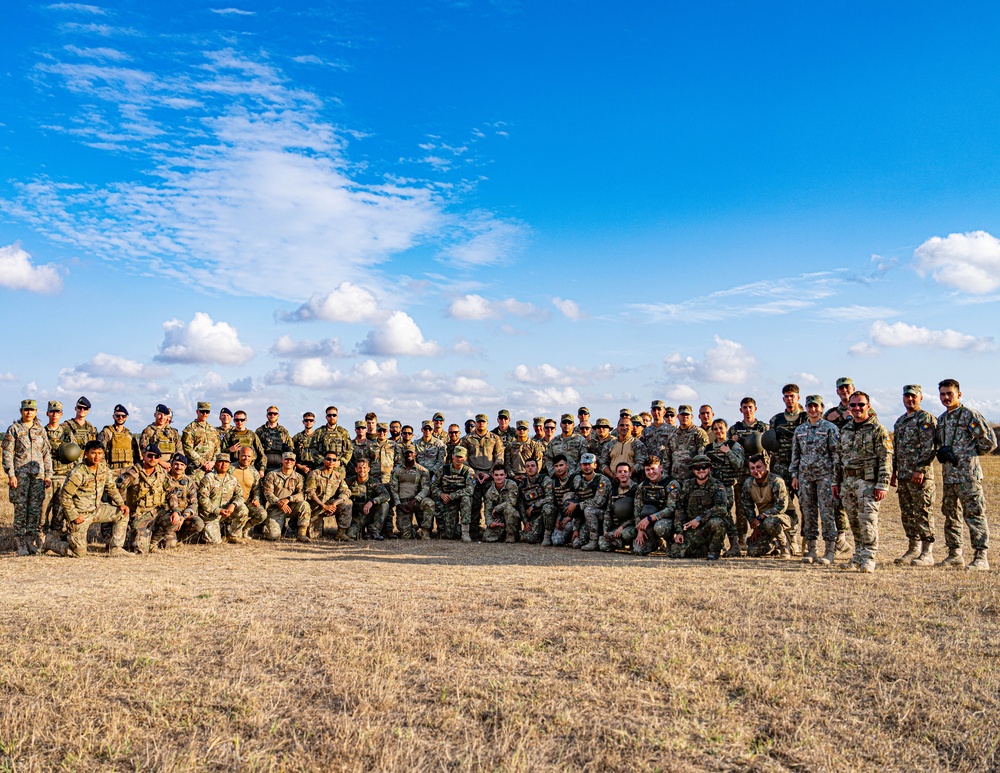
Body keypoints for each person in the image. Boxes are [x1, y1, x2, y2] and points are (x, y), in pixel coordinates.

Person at [935, 378, 997, 570]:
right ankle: (954, 554)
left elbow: (989, 442)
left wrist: (967, 453)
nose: (946, 397)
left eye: (949, 394)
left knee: (975, 514)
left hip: (968, 476)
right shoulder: (942, 419)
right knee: (951, 515)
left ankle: (981, 556)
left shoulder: (969, 415)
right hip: (949, 476)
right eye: (943, 394)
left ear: (959, 395)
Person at [832, 391, 893, 573]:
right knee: (854, 522)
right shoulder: (846, 429)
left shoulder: (877, 430)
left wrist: (882, 484)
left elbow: (886, 458)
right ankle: (858, 556)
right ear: (848, 407)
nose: (856, 408)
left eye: (860, 405)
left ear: (868, 406)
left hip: (868, 482)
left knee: (868, 522)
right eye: (853, 405)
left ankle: (869, 558)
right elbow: (839, 457)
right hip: (848, 482)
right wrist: (836, 482)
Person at [891, 385, 938, 567]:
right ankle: (913, 548)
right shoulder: (900, 421)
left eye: (913, 397)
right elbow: (897, 450)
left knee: (923, 512)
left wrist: (921, 469)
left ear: (921, 398)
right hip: (903, 475)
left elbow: (929, 447)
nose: (910, 400)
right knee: (908, 514)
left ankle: (927, 552)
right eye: (907, 396)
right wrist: (894, 472)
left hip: (921, 476)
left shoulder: (925, 419)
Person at [789, 395, 839, 564]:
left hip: (825, 476)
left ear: (821, 408)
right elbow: (795, 455)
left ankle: (830, 551)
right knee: (808, 513)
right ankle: (811, 550)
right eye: (809, 406)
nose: (812, 409)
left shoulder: (830, 428)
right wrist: (794, 475)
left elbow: (836, 454)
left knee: (827, 513)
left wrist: (835, 478)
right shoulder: (800, 430)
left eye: (815, 406)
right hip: (805, 477)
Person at [59, 440, 131, 558]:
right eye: (93, 453)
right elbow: (64, 496)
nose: (97, 457)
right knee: (79, 553)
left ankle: (115, 548)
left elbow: (111, 488)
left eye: (100, 453)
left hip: (96, 510)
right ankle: (50, 542)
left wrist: (121, 504)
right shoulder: (78, 472)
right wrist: (74, 516)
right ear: (86, 453)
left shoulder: (103, 469)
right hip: (80, 514)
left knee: (123, 513)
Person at [650, 455, 728, 560]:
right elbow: (680, 509)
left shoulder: (717, 486)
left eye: (704, 467)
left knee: (717, 522)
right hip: (693, 530)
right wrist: (679, 532)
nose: (701, 470)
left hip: (709, 527)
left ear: (709, 468)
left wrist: (699, 519)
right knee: (675, 552)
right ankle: (702, 550)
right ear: (693, 469)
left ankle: (714, 551)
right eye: (697, 468)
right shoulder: (688, 485)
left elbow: (721, 508)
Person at [2, 399, 54, 555]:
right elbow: (7, 454)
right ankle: (20, 543)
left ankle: (30, 541)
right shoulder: (14, 429)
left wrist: (48, 475)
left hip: (37, 477)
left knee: (34, 510)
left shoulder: (40, 431)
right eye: (26, 410)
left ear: (36, 412)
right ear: (21, 411)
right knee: (20, 509)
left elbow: (46, 454)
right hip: (20, 477)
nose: (29, 412)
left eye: (32, 410)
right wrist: (11, 474)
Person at [822, 377, 864, 556]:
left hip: (859, 465)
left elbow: (868, 426)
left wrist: (847, 417)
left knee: (859, 506)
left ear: (853, 388)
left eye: (847, 387)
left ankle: (862, 545)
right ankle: (841, 539)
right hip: (838, 465)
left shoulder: (862, 407)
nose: (844, 390)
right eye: (841, 388)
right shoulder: (830, 413)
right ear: (837, 391)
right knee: (837, 503)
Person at [116, 442, 180, 554]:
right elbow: (116, 489)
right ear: (144, 456)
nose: (153, 459)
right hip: (140, 514)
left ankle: (152, 543)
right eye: (150, 456)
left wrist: (175, 511)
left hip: (157, 511)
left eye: (156, 457)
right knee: (140, 550)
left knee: (174, 522)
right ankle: (134, 538)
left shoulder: (162, 473)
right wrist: (122, 504)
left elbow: (171, 492)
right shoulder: (134, 473)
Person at [768, 385, 807, 555]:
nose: (789, 399)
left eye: (792, 396)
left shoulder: (806, 418)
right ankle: (791, 541)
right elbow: (769, 444)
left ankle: (808, 542)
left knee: (807, 506)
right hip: (781, 467)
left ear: (798, 397)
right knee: (785, 506)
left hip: (802, 467)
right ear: (783, 399)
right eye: (786, 396)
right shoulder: (776, 420)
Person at [728, 396, 768, 553]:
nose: (748, 410)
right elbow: (729, 448)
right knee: (741, 508)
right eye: (745, 407)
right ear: (741, 410)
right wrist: (734, 441)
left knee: (764, 505)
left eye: (750, 407)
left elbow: (770, 448)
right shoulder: (734, 429)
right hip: (742, 473)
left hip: (761, 473)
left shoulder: (763, 427)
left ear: (755, 409)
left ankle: (763, 535)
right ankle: (741, 538)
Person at [460, 414, 505, 540]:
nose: (481, 424)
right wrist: (474, 473)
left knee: (491, 504)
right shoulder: (467, 439)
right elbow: (464, 458)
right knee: (474, 504)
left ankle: (493, 531)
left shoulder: (495, 438)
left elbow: (499, 458)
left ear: (487, 423)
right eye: (479, 422)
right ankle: (474, 532)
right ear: (476, 423)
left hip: (489, 477)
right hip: (473, 476)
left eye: (483, 422)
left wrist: (489, 474)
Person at [705, 418, 745, 557]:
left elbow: (740, 464)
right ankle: (717, 544)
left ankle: (734, 545)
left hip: (727, 487)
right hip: (712, 488)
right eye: (715, 429)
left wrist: (728, 452)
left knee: (727, 516)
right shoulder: (708, 448)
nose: (718, 431)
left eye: (721, 428)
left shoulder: (734, 446)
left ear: (726, 429)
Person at [741, 454, 791, 558]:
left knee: (770, 522)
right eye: (752, 468)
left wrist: (760, 517)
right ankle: (774, 544)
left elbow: (781, 506)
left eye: (759, 467)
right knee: (753, 551)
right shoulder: (748, 484)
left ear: (765, 466)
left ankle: (784, 545)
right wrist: (755, 526)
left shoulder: (776, 481)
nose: (756, 471)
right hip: (764, 521)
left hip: (785, 517)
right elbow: (747, 507)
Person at [198, 453, 250, 544]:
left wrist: (233, 505)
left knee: (243, 510)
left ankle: (232, 535)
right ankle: (204, 533)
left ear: (229, 464)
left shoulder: (232, 479)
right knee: (215, 542)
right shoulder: (208, 478)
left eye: (226, 462)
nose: (224, 464)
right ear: (215, 463)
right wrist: (218, 510)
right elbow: (203, 499)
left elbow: (240, 496)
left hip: (227, 513)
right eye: (221, 462)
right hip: (211, 514)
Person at [564, 452, 610, 550]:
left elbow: (599, 502)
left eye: (589, 464)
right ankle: (586, 536)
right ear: (581, 465)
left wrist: (577, 505)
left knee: (589, 510)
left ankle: (594, 541)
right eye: (584, 464)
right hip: (586, 517)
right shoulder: (579, 480)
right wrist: (576, 529)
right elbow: (577, 505)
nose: (587, 467)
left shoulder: (602, 480)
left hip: (603, 515)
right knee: (576, 544)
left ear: (595, 465)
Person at [262, 452, 310, 542]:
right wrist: (279, 502)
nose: (289, 461)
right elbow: (268, 493)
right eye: (286, 459)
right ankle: (280, 527)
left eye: (292, 460)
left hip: (291, 507)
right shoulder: (272, 475)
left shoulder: (299, 477)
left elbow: (302, 494)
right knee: (273, 536)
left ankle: (301, 534)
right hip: (276, 507)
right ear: (282, 460)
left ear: (295, 462)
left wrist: (288, 499)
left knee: (304, 504)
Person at [632, 456, 674, 556]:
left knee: (660, 527)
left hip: (667, 522)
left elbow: (672, 509)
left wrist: (650, 518)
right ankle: (655, 542)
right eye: (647, 470)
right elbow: (637, 509)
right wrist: (640, 529)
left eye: (653, 468)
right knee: (638, 551)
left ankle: (670, 542)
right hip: (648, 523)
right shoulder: (642, 486)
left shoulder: (671, 484)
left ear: (660, 468)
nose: (651, 472)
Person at [306, 451, 353, 540]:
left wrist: (335, 503)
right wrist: (324, 506)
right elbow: (310, 493)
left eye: (334, 460)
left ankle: (341, 533)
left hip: (330, 505)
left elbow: (347, 491)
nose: (331, 461)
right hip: (315, 507)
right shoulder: (314, 474)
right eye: (328, 459)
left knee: (347, 503)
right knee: (314, 537)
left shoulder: (338, 476)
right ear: (323, 460)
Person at [389, 446, 435, 539]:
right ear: (403, 454)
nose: (409, 455)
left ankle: (425, 531)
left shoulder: (423, 471)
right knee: (406, 536)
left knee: (429, 503)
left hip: (417, 501)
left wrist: (414, 500)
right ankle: (414, 529)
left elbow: (426, 489)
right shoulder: (396, 470)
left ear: (415, 454)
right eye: (407, 453)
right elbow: (393, 489)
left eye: (411, 452)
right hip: (403, 503)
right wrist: (398, 504)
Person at [432, 446, 475, 541]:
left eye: (461, 457)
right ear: (452, 456)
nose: (459, 459)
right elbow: (433, 486)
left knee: (466, 499)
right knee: (449, 535)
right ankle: (452, 529)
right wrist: (441, 495)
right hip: (447, 502)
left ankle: (465, 533)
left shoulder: (468, 471)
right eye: (457, 456)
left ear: (465, 458)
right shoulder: (443, 469)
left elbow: (470, 489)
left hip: (460, 500)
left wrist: (453, 495)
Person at [165, 453, 203, 547]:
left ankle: (180, 537)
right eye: (176, 464)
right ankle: (169, 536)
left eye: (182, 465)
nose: (179, 467)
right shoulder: (165, 479)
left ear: (185, 467)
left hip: (183, 516)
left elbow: (194, 504)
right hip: (168, 516)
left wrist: (183, 517)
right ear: (172, 464)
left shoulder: (189, 481)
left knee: (198, 524)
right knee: (169, 545)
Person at [347, 458, 391, 539]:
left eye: (364, 468)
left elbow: (386, 495)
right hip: (357, 516)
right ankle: (360, 530)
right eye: (360, 468)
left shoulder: (374, 482)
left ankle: (374, 532)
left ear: (368, 469)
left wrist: (372, 501)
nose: (362, 470)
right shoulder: (349, 482)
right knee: (350, 535)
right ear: (356, 469)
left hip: (371, 514)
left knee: (385, 505)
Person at [663, 405, 709, 482]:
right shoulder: (672, 435)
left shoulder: (698, 433)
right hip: (675, 479)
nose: (685, 417)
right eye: (682, 415)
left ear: (692, 416)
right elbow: (666, 459)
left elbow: (703, 457)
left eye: (687, 415)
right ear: (678, 416)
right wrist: (665, 478)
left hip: (692, 479)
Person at [601, 462, 638, 552]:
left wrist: (622, 527)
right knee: (603, 544)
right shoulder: (614, 489)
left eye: (625, 471)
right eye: (620, 472)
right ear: (616, 474)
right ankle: (619, 542)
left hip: (630, 526)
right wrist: (605, 531)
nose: (622, 474)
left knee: (626, 534)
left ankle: (628, 542)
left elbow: (637, 514)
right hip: (616, 526)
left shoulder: (636, 489)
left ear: (630, 473)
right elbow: (608, 511)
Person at [230, 446, 267, 539]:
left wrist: (256, 498)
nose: (246, 458)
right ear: (239, 455)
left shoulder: (253, 472)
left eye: (249, 456)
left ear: (252, 457)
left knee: (262, 514)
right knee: (243, 511)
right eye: (244, 455)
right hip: (231, 502)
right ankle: (233, 533)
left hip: (246, 501)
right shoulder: (230, 469)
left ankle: (246, 528)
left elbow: (257, 489)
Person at [181, 401, 220, 482]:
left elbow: (217, 448)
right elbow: (187, 448)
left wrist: (213, 462)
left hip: (211, 470)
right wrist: (202, 463)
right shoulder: (190, 429)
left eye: (207, 412)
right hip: (195, 470)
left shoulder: (213, 429)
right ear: (197, 412)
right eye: (202, 411)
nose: (204, 414)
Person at [600, 416, 648, 481]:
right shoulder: (609, 444)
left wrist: (627, 474)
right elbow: (602, 462)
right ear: (617, 428)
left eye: (627, 425)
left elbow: (641, 463)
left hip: (631, 481)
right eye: (621, 425)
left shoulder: (638, 444)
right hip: (612, 481)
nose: (624, 427)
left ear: (631, 428)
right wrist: (611, 474)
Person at [518, 458, 554, 544]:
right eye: (528, 466)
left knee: (547, 508)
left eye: (533, 466)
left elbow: (551, 498)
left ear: (537, 468)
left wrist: (534, 505)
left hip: (546, 513)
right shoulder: (522, 485)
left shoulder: (545, 480)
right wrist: (525, 521)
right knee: (527, 538)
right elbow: (521, 505)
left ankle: (547, 535)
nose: (530, 468)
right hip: (534, 516)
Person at [482, 464, 521, 543]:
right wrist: (490, 523)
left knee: (509, 510)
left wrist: (497, 508)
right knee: (486, 537)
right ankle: (502, 533)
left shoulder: (511, 485)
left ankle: (511, 536)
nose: (499, 477)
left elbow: (512, 502)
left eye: (501, 475)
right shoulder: (490, 491)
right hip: (500, 518)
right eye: (496, 475)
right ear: (493, 476)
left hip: (512, 516)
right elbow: (487, 510)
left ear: (505, 475)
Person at [98, 403, 138, 476]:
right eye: (118, 416)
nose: (120, 418)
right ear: (113, 416)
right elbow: (100, 453)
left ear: (126, 417)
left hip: (128, 472)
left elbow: (136, 456)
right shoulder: (107, 433)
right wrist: (104, 470)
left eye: (123, 416)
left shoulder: (129, 435)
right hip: (111, 471)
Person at [139, 403, 181, 472]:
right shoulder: (148, 431)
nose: (162, 417)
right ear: (155, 415)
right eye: (159, 414)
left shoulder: (173, 432)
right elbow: (144, 452)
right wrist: (160, 462)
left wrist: (171, 464)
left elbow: (179, 450)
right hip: (154, 468)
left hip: (170, 468)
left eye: (164, 415)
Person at [256, 405, 292, 475]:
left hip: (280, 464)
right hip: (263, 464)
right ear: (267, 416)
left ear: (278, 415)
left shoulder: (284, 431)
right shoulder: (260, 431)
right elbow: (255, 448)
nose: (272, 415)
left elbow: (290, 448)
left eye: (275, 414)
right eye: (270, 414)